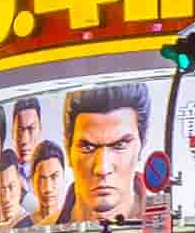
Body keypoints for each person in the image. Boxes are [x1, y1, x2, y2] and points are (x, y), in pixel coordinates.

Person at [62, 81, 149, 223]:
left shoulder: (175, 228)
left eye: (120, 145)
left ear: (141, 147)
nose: (102, 168)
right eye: (87, 147)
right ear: (68, 150)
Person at [29, 140, 72, 225]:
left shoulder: (73, 220)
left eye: (54, 177)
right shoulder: (23, 225)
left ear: (63, 176)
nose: (48, 188)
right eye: (42, 178)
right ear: (32, 180)